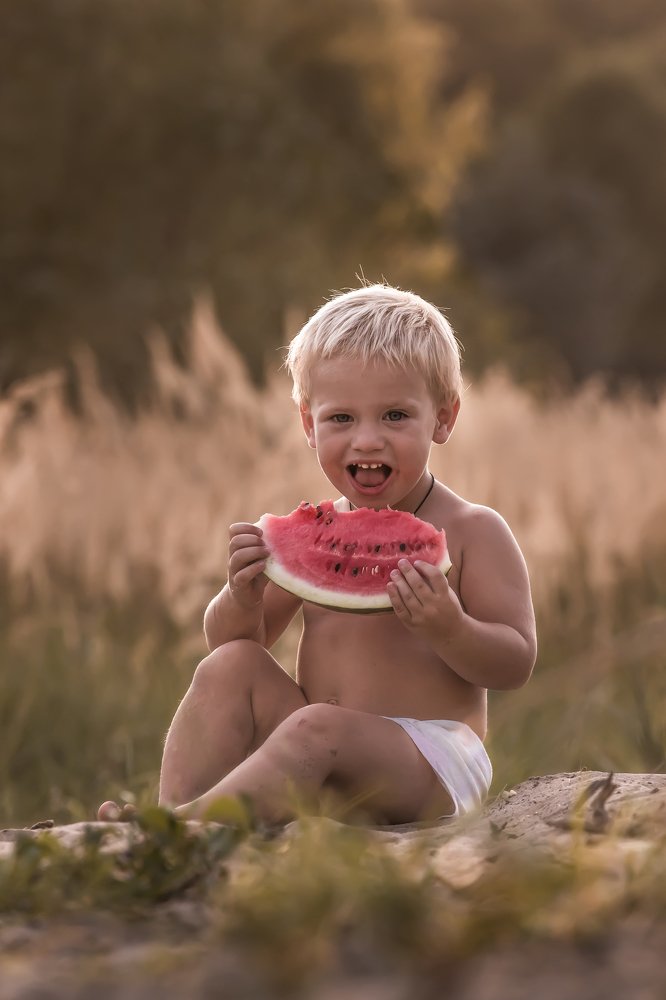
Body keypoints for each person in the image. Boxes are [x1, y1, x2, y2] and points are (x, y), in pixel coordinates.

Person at [99, 284, 537, 827]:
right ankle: (174, 818)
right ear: (308, 425)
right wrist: (241, 595)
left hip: (429, 765)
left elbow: (516, 661)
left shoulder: (474, 530)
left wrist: (448, 627)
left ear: (443, 419)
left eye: (395, 416)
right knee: (231, 666)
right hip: (318, 756)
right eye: (342, 419)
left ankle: (177, 829)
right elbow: (235, 643)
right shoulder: (317, 534)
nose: (368, 441)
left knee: (319, 727)